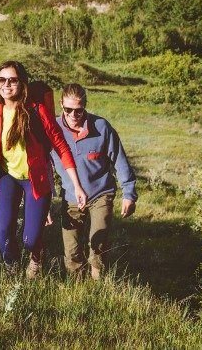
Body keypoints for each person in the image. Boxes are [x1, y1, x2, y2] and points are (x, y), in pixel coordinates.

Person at [0, 61, 88, 277]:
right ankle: (11, 269)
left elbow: (60, 145)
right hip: (6, 177)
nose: (7, 84)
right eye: (2, 80)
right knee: (4, 234)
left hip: (35, 179)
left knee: (31, 239)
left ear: (22, 83)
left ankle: (36, 256)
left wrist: (77, 185)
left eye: (12, 80)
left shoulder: (37, 111)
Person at [49, 83, 137, 280]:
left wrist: (129, 194)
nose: (73, 115)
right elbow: (43, 168)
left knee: (97, 244)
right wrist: (44, 202)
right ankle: (78, 289)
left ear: (85, 106)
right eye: (68, 110)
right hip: (70, 197)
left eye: (78, 110)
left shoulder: (101, 127)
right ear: (61, 105)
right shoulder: (52, 131)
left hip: (100, 194)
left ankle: (98, 284)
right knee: (71, 250)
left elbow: (120, 161)